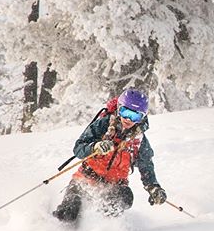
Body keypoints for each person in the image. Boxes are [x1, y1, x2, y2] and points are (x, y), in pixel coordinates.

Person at [53, 88, 167, 222]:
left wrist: (153, 187)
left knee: (126, 196)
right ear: (119, 108)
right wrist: (95, 147)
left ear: (142, 117)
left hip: (114, 188)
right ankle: (52, 230)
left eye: (135, 116)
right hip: (84, 183)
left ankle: (104, 229)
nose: (128, 119)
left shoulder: (139, 141)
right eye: (125, 112)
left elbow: (146, 166)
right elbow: (78, 148)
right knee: (69, 213)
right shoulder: (103, 125)